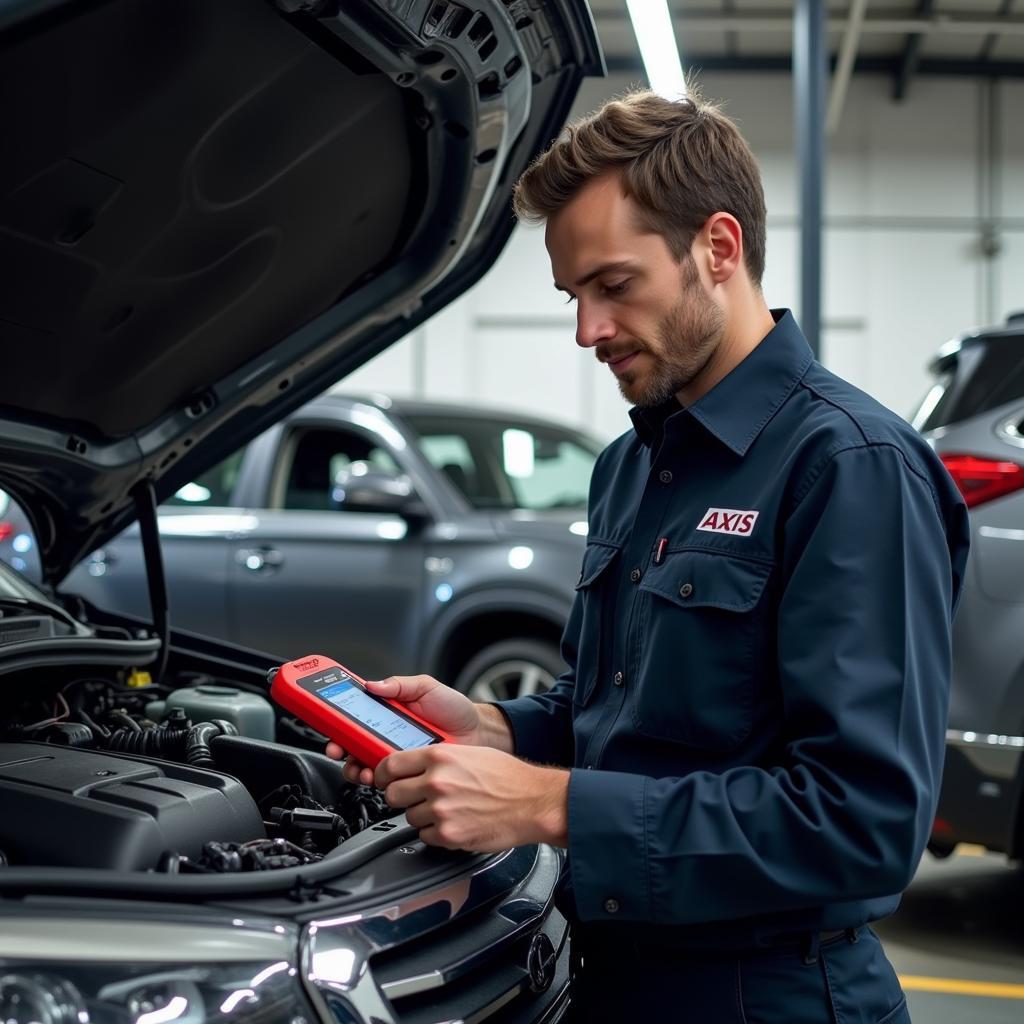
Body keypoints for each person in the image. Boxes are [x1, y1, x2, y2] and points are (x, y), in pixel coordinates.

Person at [326, 88, 970, 1022]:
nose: (586, 330)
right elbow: (619, 707)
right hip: (607, 976)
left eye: (614, 285)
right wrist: (500, 734)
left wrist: (547, 805)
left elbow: (861, 824)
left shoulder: (851, 468)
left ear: (718, 248)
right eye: (573, 296)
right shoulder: (631, 464)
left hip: (769, 994)